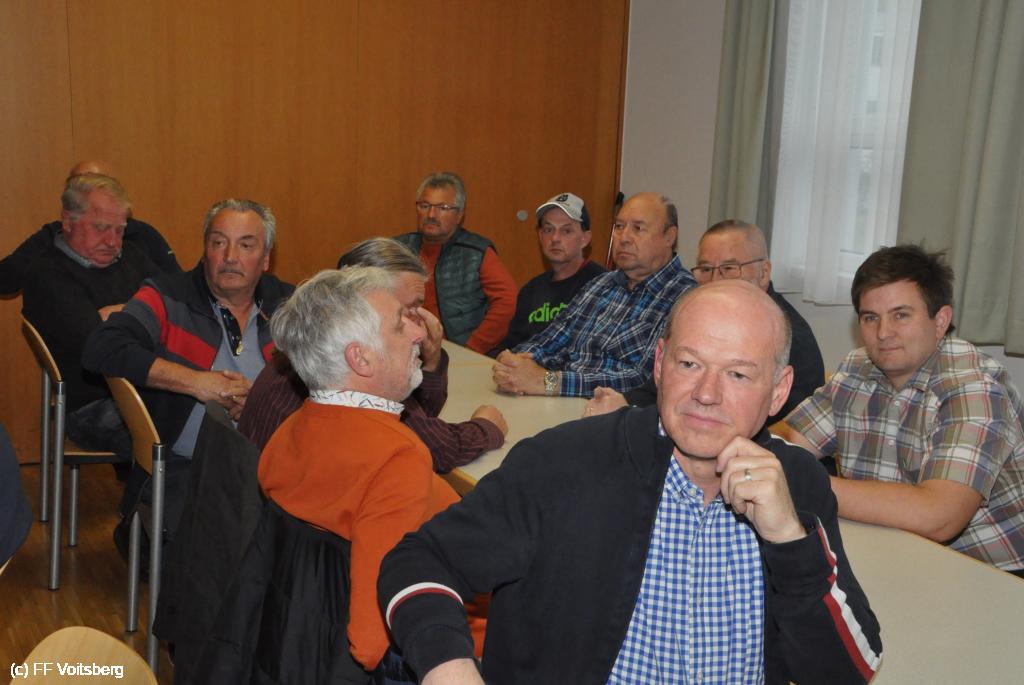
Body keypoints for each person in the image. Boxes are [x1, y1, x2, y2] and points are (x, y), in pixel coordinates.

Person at [380, 280, 881, 684]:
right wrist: (449, 668)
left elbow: (846, 672)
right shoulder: (564, 464)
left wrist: (791, 541)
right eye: (689, 364)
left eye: (738, 375)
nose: (706, 394)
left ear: (779, 390)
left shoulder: (797, 483)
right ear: (660, 364)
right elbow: (419, 560)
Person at [258, 266, 486, 676]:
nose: (418, 333)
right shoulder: (395, 459)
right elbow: (370, 642)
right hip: (459, 647)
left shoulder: (289, 433)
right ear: (360, 358)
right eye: (400, 324)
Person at [783, 245, 1024, 574]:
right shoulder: (857, 367)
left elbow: (939, 516)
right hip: (893, 551)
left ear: (940, 321)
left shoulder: (975, 386)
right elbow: (789, 442)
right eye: (871, 318)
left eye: (901, 315)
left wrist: (801, 483)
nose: (883, 333)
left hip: (993, 574)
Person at [82, 198, 293, 529]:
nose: (230, 256)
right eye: (218, 243)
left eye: (246, 245)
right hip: (185, 466)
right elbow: (102, 347)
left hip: (274, 465)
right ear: (206, 250)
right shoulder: (167, 296)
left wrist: (262, 406)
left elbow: (329, 382)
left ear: (266, 258)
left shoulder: (290, 306)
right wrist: (196, 382)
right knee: (232, 528)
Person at [238, 237, 508, 471]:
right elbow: (437, 449)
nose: (420, 328)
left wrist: (431, 359)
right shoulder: (344, 371)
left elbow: (418, 418)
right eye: (403, 313)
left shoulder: (320, 344)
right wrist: (486, 427)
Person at [585, 219, 824, 424]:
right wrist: (624, 401)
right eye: (706, 269)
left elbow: (782, 432)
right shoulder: (701, 319)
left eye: (729, 268)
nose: (716, 281)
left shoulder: (789, 338)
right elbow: (664, 383)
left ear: (764, 272)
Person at [492, 192, 696, 397]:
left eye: (638, 228)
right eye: (619, 227)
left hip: (610, 410)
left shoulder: (686, 299)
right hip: (559, 399)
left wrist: (548, 381)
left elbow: (644, 381)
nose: (624, 238)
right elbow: (550, 339)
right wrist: (515, 361)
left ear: (669, 237)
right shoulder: (600, 284)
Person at [22, 172, 161, 465]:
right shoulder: (47, 274)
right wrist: (143, 313)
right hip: (92, 405)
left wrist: (116, 314)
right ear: (68, 221)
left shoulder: (133, 256)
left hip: (147, 386)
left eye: (120, 230)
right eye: (101, 228)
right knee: (180, 440)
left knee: (211, 425)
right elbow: (101, 346)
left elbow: (176, 306)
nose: (112, 241)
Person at [0, 160, 179, 295]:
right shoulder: (52, 244)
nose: (111, 242)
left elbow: (176, 290)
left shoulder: (141, 235)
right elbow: (6, 281)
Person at [394, 172, 516, 354]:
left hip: (459, 353)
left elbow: (508, 303)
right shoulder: (399, 249)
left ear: (459, 215)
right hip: (407, 350)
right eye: (425, 206)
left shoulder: (477, 252)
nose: (431, 214)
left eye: (443, 208)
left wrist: (471, 348)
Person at [498, 192, 605, 350]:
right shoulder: (530, 290)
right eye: (548, 229)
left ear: (585, 239)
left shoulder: (603, 287)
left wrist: (538, 367)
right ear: (540, 236)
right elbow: (512, 345)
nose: (555, 238)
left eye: (566, 231)